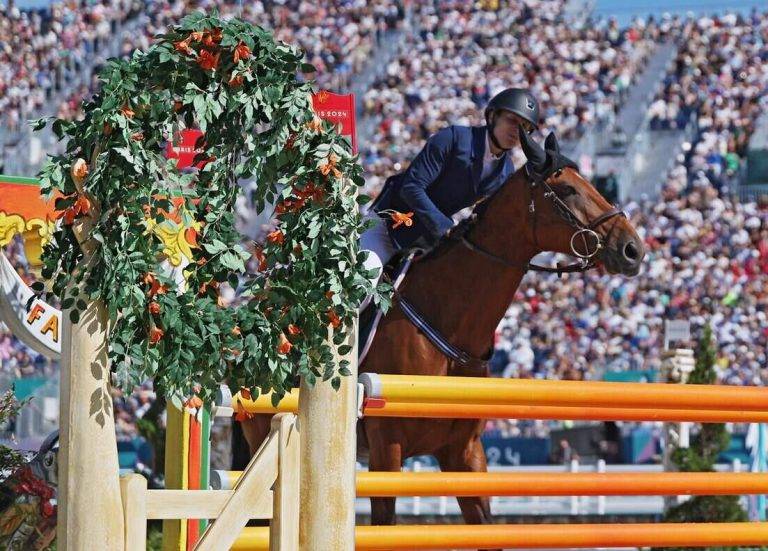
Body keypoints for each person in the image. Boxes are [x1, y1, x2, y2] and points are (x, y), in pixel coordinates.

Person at [361, 87, 540, 293]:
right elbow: (412, 187)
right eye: (512, 120)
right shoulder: (453, 138)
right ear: (492, 115)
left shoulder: (506, 172)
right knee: (360, 290)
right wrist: (444, 226)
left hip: (424, 245)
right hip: (387, 227)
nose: (518, 131)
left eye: (525, 128)